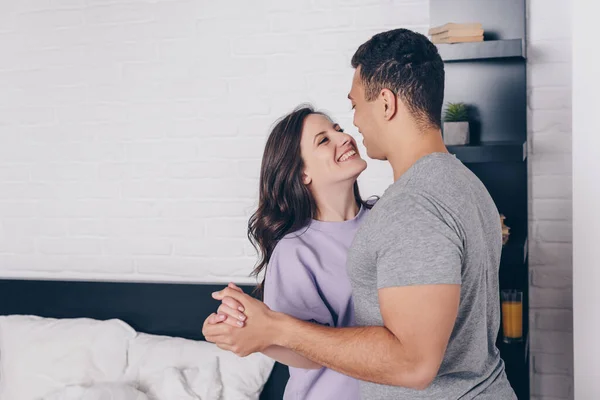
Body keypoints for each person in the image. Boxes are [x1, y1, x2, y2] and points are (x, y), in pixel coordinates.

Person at [203, 28, 517, 399]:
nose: (353, 127)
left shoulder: (407, 209)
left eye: (354, 107)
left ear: (386, 103)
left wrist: (274, 328)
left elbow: (412, 362)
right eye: (326, 137)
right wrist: (259, 331)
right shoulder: (464, 183)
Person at [209, 104, 374, 399]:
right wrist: (251, 333)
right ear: (302, 174)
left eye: (337, 129)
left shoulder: (389, 218)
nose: (344, 137)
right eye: (324, 140)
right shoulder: (295, 250)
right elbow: (305, 353)